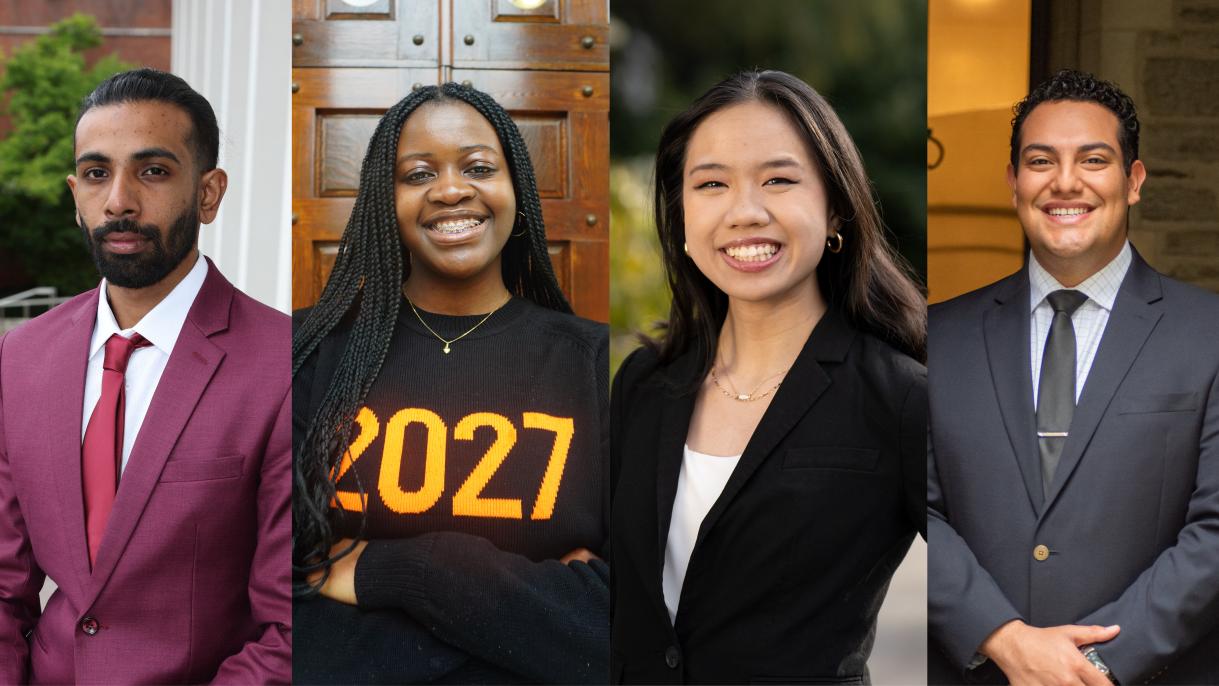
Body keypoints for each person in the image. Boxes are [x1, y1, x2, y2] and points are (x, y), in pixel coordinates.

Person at [610, 70, 927, 684]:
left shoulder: (900, 397)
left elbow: (989, 573)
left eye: (778, 180)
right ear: (681, 212)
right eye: (712, 184)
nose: (744, 212)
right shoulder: (643, 384)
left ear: (836, 209)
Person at [291, 82, 609, 684]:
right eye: (417, 175)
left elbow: (620, 623)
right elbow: (264, 580)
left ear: (516, 189)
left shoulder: (594, 364)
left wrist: (412, 572)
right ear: (384, 203)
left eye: (479, 167)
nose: (450, 190)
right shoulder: (306, 353)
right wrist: (532, 610)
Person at [928, 69, 1219, 685]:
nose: (1065, 182)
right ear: (1013, 182)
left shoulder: (1209, 334)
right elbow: (908, 510)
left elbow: (1215, 532)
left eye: (1093, 159)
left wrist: (1093, 667)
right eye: (1041, 161)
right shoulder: (935, 339)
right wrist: (1004, 639)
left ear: (1133, 181)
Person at [0, 68, 291, 683]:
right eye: (96, 173)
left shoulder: (285, 365)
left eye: (153, 171)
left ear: (208, 193)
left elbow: (290, 628)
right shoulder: (20, 357)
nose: (119, 202)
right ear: (75, 194)